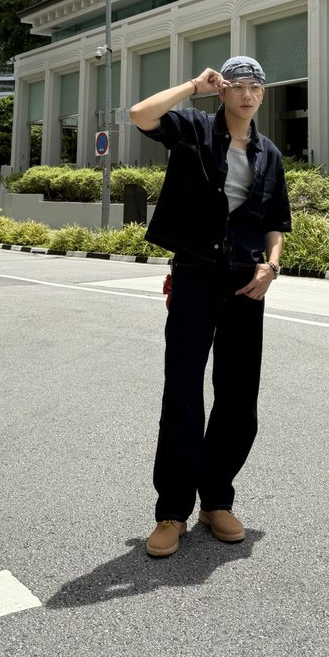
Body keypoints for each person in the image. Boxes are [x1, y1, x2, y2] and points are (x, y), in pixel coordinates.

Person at [129, 56, 292, 558]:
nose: (247, 95)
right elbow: (140, 114)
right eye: (238, 86)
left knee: (239, 396)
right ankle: (172, 512)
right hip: (197, 273)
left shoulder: (269, 154)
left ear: (263, 96)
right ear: (222, 91)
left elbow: (276, 222)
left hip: (247, 280)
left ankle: (216, 499)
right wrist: (193, 86)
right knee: (182, 391)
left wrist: (272, 266)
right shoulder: (194, 130)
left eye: (256, 88)